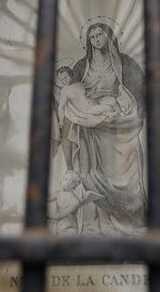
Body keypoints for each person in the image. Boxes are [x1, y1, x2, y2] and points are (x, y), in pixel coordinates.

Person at [48, 22, 147, 237]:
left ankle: (129, 222)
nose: (96, 39)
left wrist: (125, 109)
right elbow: (67, 95)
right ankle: (96, 225)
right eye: (92, 37)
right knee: (90, 174)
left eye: (100, 35)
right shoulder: (82, 67)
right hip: (90, 130)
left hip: (118, 126)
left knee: (127, 174)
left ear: (109, 37)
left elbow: (140, 94)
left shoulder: (126, 64)